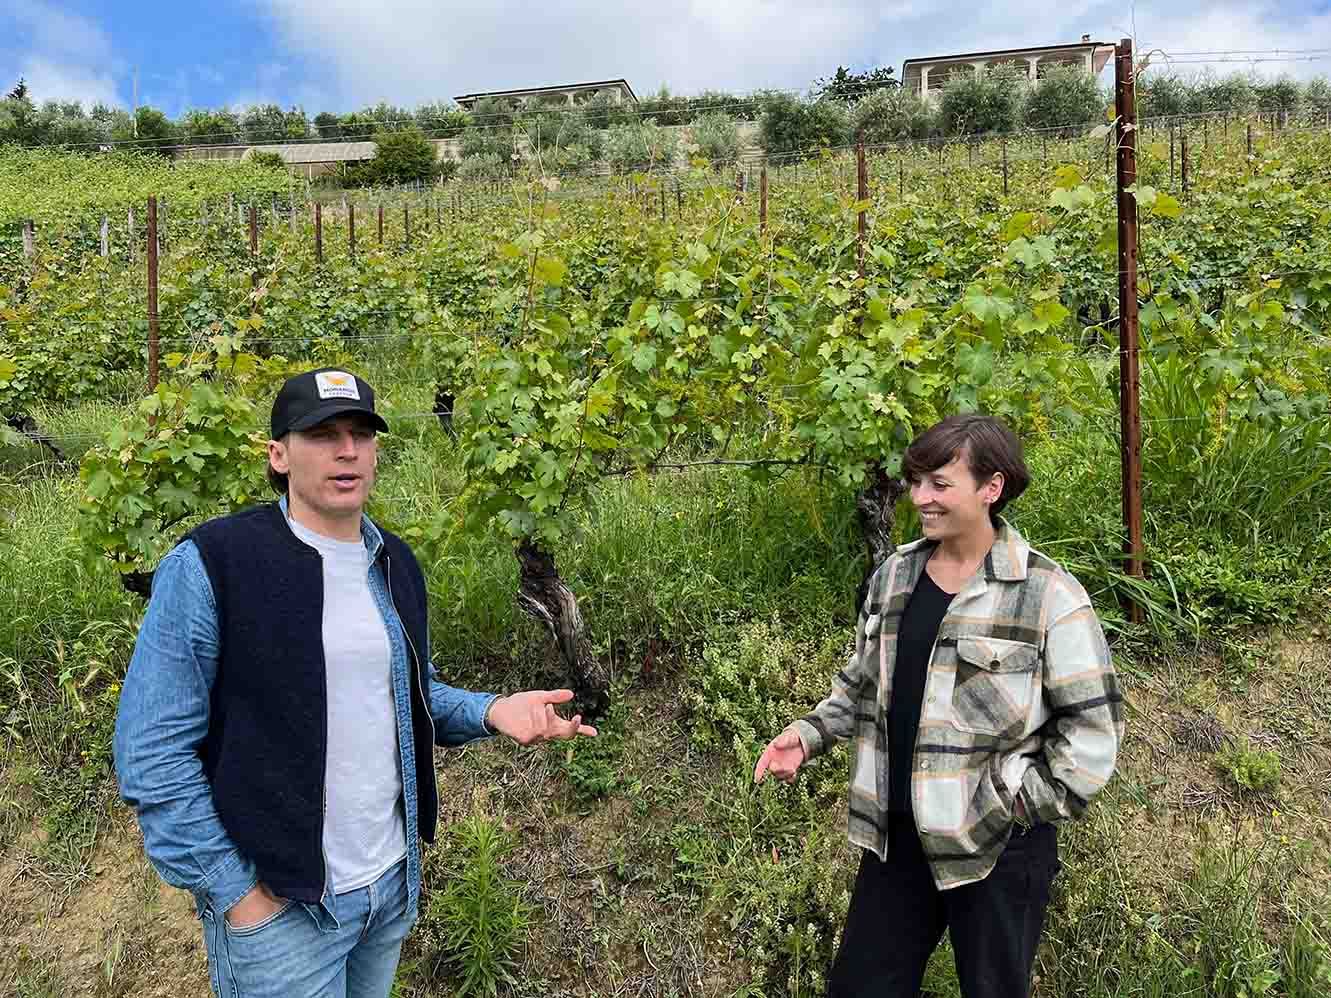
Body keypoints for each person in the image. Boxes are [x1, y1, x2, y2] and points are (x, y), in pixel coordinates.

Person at [114, 367, 596, 998]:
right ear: (279, 454)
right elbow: (151, 751)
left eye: (362, 434)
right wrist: (236, 895)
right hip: (284, 912)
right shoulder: (213, 564)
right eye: (323, 434)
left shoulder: (394, 561)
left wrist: (494, 710)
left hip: (389, 886)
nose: (347, 450)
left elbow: (408, 695)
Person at [754, 414, 1123, 998]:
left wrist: (1014, 804)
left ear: (991, 488)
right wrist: (809, 734)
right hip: (896, 840)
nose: (920, 497)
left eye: (939, 484)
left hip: (998, 848)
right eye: (917, 481)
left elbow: (1093, 732)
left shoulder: (1048, 594)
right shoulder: (895, 575)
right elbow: (863, 681)